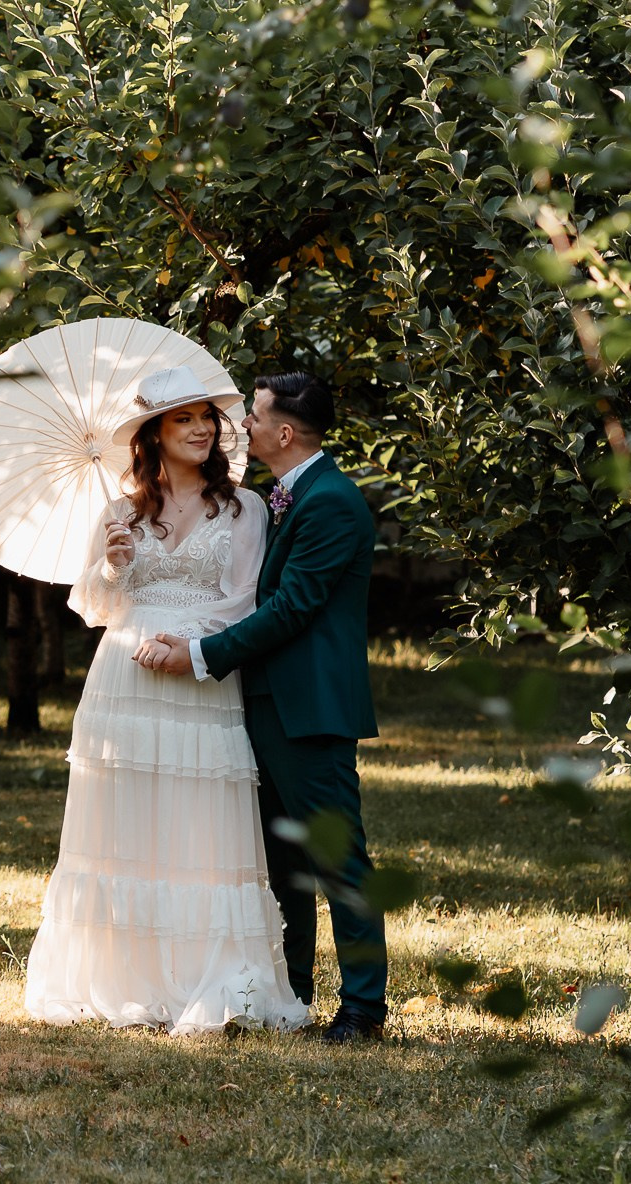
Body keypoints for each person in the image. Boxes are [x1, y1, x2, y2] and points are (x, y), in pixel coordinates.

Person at [22, 366, 308, 1035]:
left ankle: (208, 973)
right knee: (127, 821)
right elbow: (93, 608)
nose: (202, 428)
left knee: (201, 821)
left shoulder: (244, 508)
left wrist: (189, 643)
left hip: (201, 677)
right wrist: (112, 566)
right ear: (154, 433)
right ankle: (128, 976)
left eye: (207, 416)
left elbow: (246, 600)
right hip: (122, 679)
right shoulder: (118, 512)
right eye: (184, 419)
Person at [137, 372, 385, 1043]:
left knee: (338, 859)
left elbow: (291, 608)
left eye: (254, 416)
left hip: (311, 708)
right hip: (268, 702)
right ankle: (293, 992)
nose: (241, 425)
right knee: (283, 862)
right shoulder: (288, 495)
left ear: (284, 432)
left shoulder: (331, 502)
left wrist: (200, 653)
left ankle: (364, 1008)